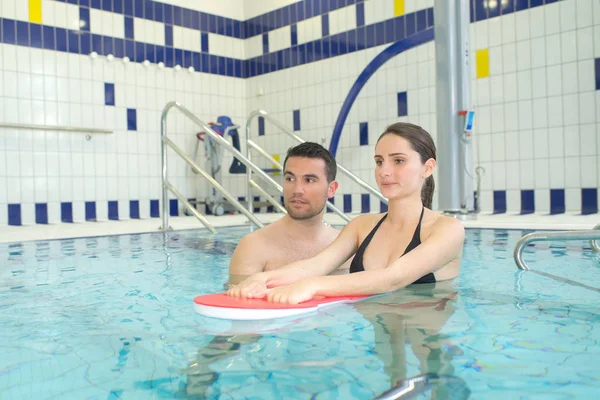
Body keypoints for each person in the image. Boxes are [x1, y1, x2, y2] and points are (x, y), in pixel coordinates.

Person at [228, 122, 465, 303]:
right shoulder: (362, 226)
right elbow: (315, 265)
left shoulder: (447, 230)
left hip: (425, 356)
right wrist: (264, 279)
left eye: (398, 161)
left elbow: (393, 278)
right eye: (379, 161)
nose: (384, 171)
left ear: (428, 167)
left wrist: (312, 286)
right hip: (374, 350)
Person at [229, 141, 348, 283]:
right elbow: (237, 301)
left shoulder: (345, 246)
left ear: (331, 189)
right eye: (290, 179)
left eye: (309, 180)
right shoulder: (254, 247)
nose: (297, 189)